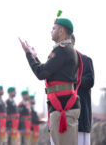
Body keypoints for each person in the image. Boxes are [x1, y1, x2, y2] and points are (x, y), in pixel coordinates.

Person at [19, 14, 83, 145]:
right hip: (63, 104)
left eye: (53, 28)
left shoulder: (62, 50)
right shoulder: (67, 50)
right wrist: (34, 57)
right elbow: (48, 71)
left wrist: (28, 55)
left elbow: (41, 73)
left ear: (61, 31)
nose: (51, 31)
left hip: (62, 106)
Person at [71, 34, 95, 145]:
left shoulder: (85, 60)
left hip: (81, 116)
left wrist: (72, 79)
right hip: (62, 117)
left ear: (72, 42)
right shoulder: (58, 63)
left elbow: (90, 81)